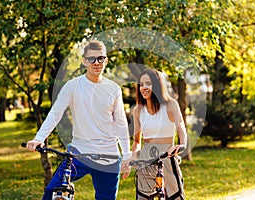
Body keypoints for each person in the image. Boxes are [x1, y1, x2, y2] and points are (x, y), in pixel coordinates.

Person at [25, 40, 131, 200]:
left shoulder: (113, 88)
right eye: (91, 59)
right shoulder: (73, 86)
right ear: (84, 61)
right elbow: (55, 113)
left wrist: (127, 154)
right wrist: (39, 138)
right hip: (79, 153)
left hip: (108, 156)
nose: (96, 63)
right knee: (52, 192)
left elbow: (121, 123)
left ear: (106, 60)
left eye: (101, 58)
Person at [130, 69, 187, 200]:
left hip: (168, 155)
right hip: (146, 157)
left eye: (148, 84)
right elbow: (137, 142)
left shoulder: (170, 104)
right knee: (143, 197)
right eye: (141, 84)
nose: (143, 88)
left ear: (156, 85)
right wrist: (134, 155)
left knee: (176, 196)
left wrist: (182, 144)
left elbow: (180, 126)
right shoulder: (138, 110)